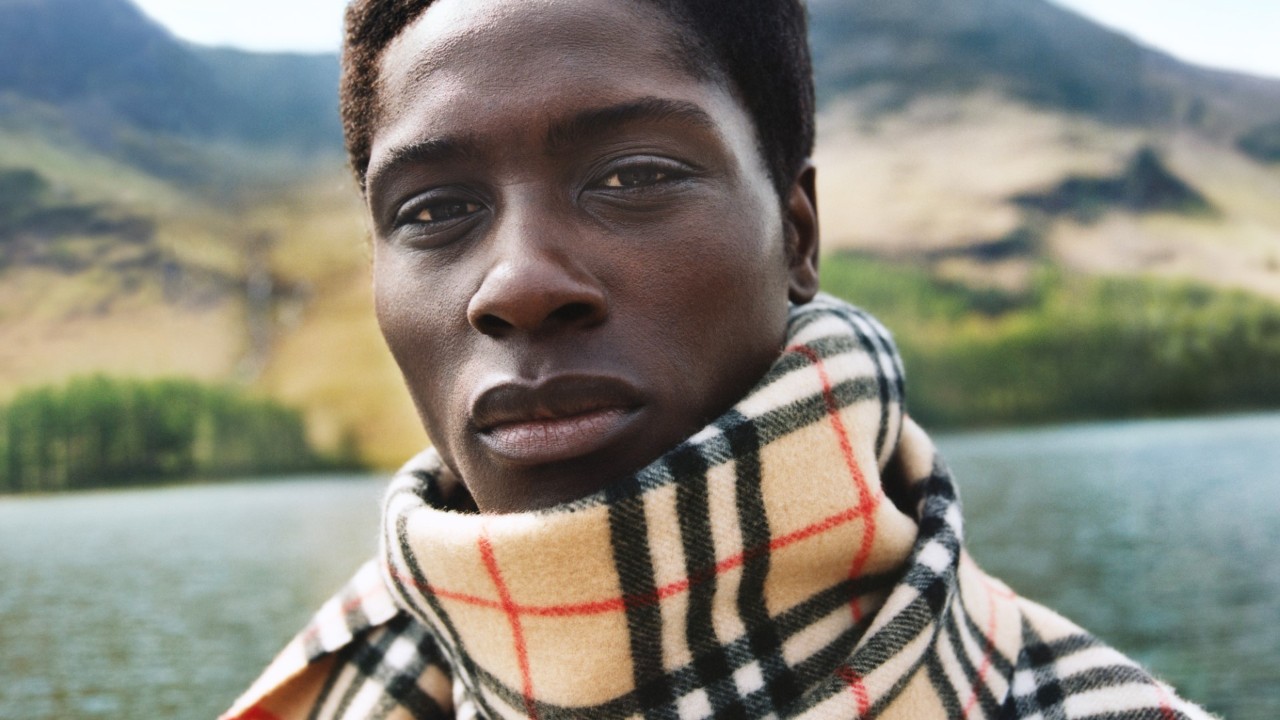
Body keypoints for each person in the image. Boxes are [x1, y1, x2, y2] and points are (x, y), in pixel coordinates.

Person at [224, 0, 1214, 718]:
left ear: (795, 234)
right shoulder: (327, 690)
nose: (516, 284)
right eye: (434, 211)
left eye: (634, 175)